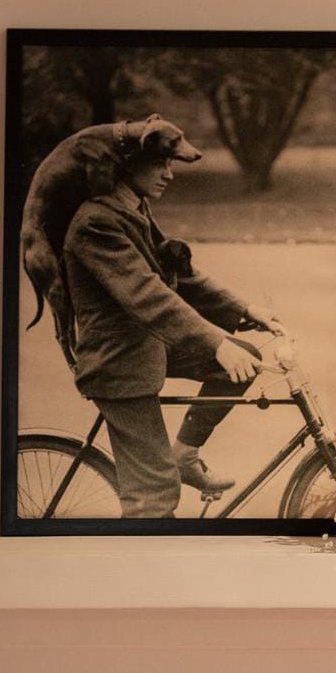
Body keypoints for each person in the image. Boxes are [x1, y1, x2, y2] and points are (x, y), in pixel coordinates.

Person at [62, 119, 284, 517]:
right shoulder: (95, 223)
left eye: (169, 164)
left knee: (244, 361)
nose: (169, 173)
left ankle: (184, 455)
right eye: (160, 164)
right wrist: (216, 342)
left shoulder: (133, 207)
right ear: (127, 166)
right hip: (118, 363)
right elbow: (148, 293)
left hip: (146, 345)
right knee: (156, 494)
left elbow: (180, 276)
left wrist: (243, 310)